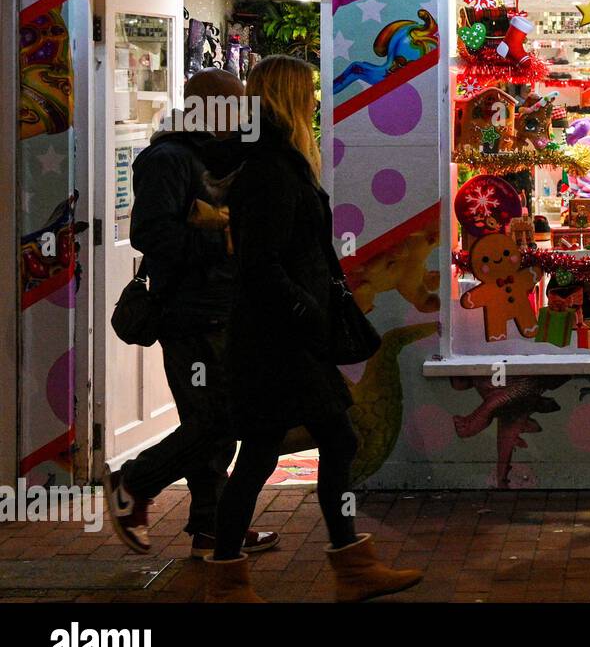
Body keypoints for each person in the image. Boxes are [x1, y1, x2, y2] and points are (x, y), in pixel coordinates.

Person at [206, 56, 423, 603]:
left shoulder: (276, 162)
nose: (316, 101)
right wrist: (306, 312)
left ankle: (318, 567)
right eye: (309, 91)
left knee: (293, 446)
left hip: (282, 337)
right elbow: (263, 264)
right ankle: (248, 574)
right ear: (288, 97)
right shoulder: (271, 168)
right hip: (280, 342)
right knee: (279, 448)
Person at [105, 68, 279, 560]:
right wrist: (222, 239)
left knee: (211, 423)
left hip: (219, 309)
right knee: (216, 421)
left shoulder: (214, 156)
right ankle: (133, 485)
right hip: (190, 313)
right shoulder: (168, 158)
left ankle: (212, 529)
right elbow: (150, 233)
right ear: (208, 107)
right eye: (235, 103)